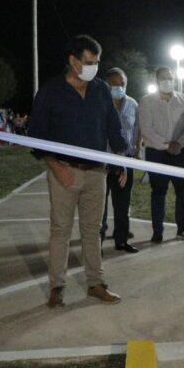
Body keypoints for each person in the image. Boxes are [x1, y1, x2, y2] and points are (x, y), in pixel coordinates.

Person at [29, 34, 127, 308]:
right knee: (60, 230)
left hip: (96, 172)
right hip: (64, 172)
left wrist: (122, 160)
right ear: (72, 61)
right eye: (88, 62)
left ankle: (96, 283)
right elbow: (36, 136)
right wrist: (56, 165)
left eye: (96, 62)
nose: (93, 67)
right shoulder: (50, 92)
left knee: (92, 230)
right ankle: (57, 287)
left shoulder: (101, 90)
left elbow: (113, 129)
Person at [139, 66, 184, 243]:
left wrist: (179, 143)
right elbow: (147, 130)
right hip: (157, 154)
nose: (168, 81)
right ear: (156, 81)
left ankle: (183, 228)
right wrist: (167, 146)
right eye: (163, 78)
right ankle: (158, 231)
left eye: (170, 78)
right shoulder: (147, 102)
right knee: (158, 192)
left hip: (181, 152)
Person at [100, 68, 140, 253]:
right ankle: (96, 243)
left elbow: (137, 130)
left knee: (122, 204)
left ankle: (121, 240)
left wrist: (135, 151)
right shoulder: (99, 103)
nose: (118, 87)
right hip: (102, 163)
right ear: (106, 85)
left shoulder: (133, 105)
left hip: (126, 161)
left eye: (121, 84)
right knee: (100, 207)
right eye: (114, 84)